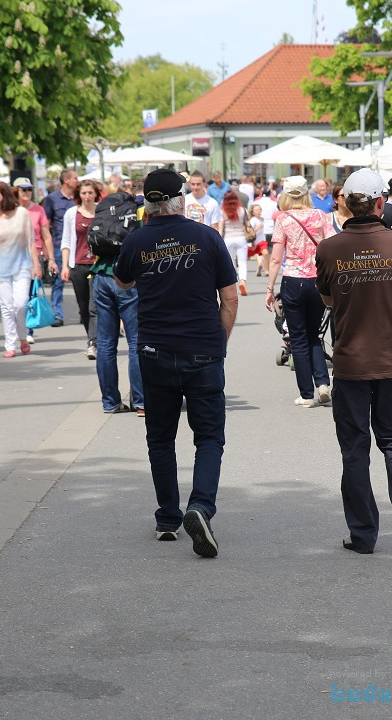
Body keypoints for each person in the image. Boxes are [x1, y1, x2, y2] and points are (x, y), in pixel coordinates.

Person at [114, 168, 239, 558]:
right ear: (181, 199)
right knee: (209, 437)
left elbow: (122, 283)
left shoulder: (136, 241)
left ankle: (168, 518)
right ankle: (200, 507)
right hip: (202, 349)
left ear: (147, 203)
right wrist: (219, 342)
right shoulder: (207, 237)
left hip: (154, 352)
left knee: (160, 438)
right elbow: (230, 298)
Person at [315, 168, 392, 556]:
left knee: (354, 450)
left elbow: (329, 301)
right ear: (381, 202)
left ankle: (363, 535)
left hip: (350, 363)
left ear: (346, 203)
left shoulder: (329, 248)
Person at [264, 175, 335, 407]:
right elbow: (332, 246)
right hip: (317, 281)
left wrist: (269, 289)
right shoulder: (321, 216)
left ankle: (307, 394)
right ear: (307, 193)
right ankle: (323, 383)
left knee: (298, 338)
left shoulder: (283, 218)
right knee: (314, 334)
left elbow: (275, 259)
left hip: (293, 281)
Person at [91, 182, 143, 416]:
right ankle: (141, 401)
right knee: (136, 341)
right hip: (127, 277)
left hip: (100, 274)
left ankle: (110, 402)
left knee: (104, 343)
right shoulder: (141, 209)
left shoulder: (107, 207)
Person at [0, 181, 40, 357]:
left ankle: (23, 337)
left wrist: (36, 265)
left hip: (22, 266)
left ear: (4, 194)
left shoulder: (22, 214)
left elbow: (30, 242)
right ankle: (10, 345)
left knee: (20, 304)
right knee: (6, 307)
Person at [58, 179, 100, 359]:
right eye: (84, 193)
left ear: (95, 194)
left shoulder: (102, 210)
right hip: (78, 265)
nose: (87, 196)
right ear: (79, 195)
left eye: (90, 192)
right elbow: (66, 241)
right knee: (83, 308)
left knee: (94, 306)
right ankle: (92, 337)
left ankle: (94, 342)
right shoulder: (71, 214)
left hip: (98, 265)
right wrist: (65, 266)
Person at [12, 177, 54, 344]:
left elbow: (46, 236)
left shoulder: (38, 210)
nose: (27, 193)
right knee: (13, 299)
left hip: (33, 256)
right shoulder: (10, 210)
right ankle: (14, 328)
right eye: (23, 189)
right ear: (15, 191)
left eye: (29, 189)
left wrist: (51, 259)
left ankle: (27, 329)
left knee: (28, 296)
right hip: (12, 256)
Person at [41, 169, 78, 326]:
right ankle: (58, 314)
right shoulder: (51, 199)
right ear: (66, 180)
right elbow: (45, 225)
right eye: (75, 178)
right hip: (59, 245)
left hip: (79, 245)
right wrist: (46, 250)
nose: (78, 180)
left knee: (81, 281)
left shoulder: (80, 198)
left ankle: (85, 312)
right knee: (58, 281)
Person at [220, 189, 250, 296]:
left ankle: (234, 282)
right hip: (241, 238)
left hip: (228, 238)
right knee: (242, 262)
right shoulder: (242, 210)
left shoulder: (222, 211)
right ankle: (242, 281)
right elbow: (247, 224)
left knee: (231, 262)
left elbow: (220, 228)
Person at [255, 189, 278, 277]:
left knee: (260, 249)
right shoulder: (273, 203)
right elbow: (276, 215)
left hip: (261, 228)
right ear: (270, 194)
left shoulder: (257, 202)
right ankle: (268, 268)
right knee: (270, 250)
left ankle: (260, 262)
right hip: (271, 227)